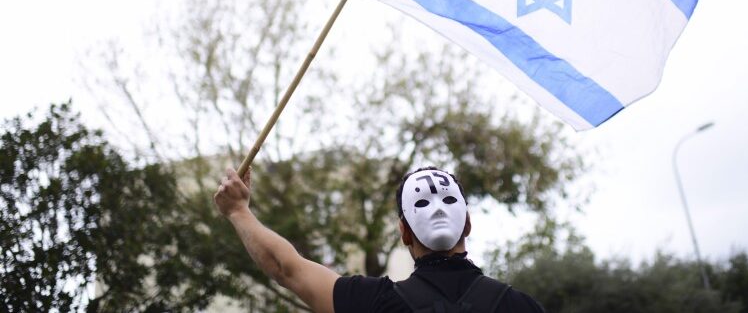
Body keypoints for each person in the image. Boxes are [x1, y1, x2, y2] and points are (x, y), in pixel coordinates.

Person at [214, 166, 546, 312]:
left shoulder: (372, 302)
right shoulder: (521, 306)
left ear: (403, 233)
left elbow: (286, 268)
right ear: (469, 224)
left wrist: (238, 211)